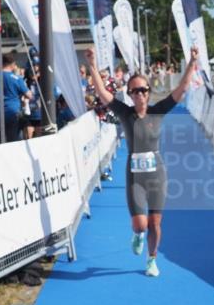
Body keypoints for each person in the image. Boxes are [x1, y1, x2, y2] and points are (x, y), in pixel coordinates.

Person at [84, 46, 199, 277]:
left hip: (157, 175)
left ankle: (151, 259)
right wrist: (92, 65)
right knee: (141, 225)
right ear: (129, 94)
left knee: (155, 223)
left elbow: (182, 88)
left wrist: (191, 62)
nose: (139, 94)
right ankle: (137, 235)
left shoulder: (158, 111)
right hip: (135, 176)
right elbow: (102, 93)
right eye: (134, 91)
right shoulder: (125, 113)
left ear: (148, 91)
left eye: (143, 90)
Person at [0, 53, 31, 144]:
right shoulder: (17, 78)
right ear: (12, 64)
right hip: (13, 113)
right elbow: (29, 95)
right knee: (14, 143)